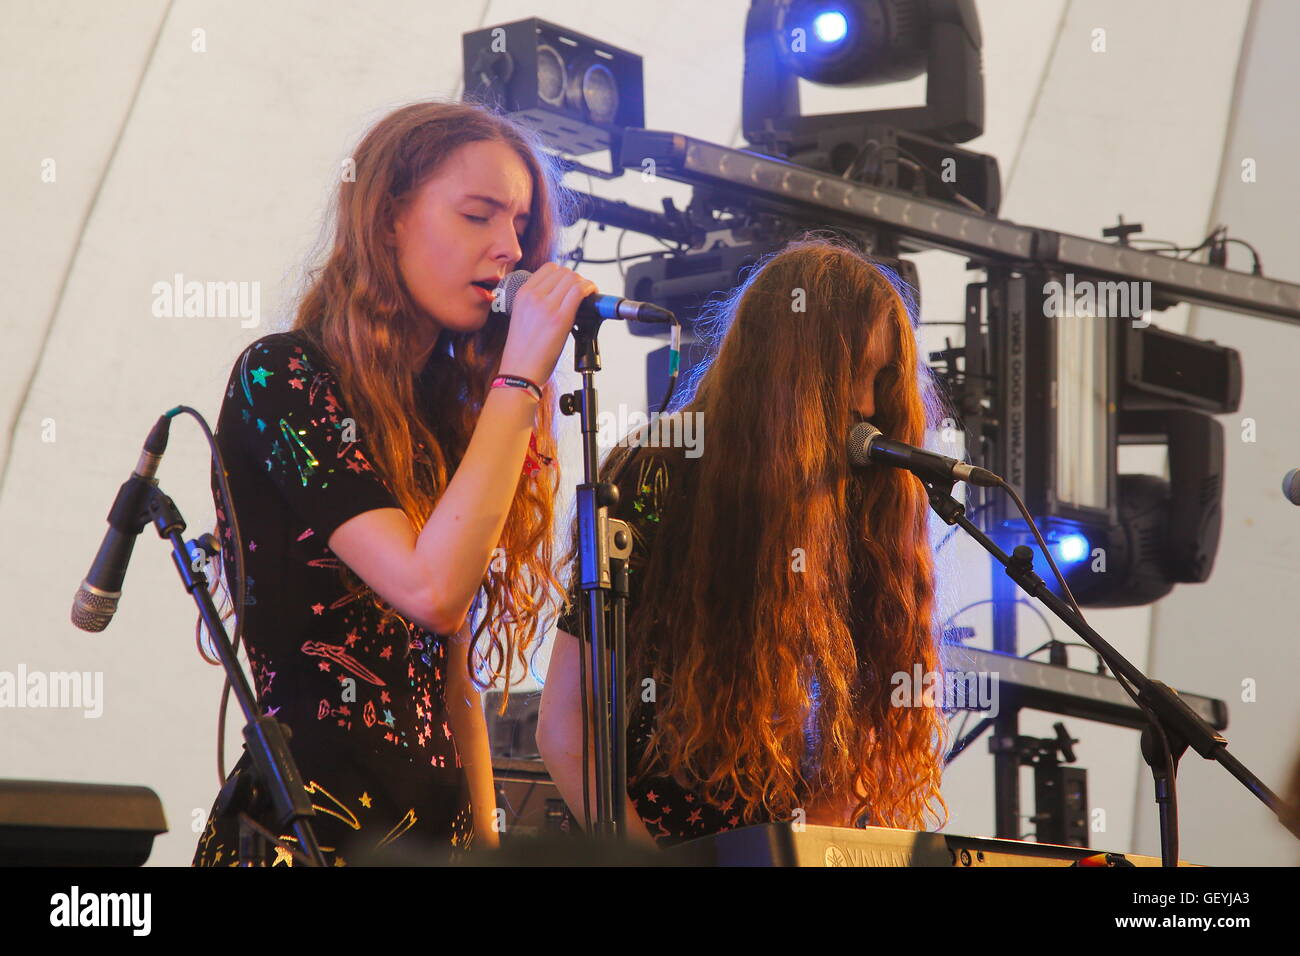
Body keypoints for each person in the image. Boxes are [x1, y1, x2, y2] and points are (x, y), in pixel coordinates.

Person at [192, 100, 595, 866]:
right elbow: (430, 587)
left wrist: (484, 847)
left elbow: (453, 677)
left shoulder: (447, 415)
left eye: (519, 225)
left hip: (431, 835)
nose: (510, 249)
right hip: (312, 832)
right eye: (478, 216)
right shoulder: (284, 378)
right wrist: (519, 379)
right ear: (387, 221)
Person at [537, 237, 951, 848]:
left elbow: (854, 745)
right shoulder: (656, 471)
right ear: (784, 374)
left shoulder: (866, 497)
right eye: (849, 377)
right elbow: (566, 728)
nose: (867, 405)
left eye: (881, 378)